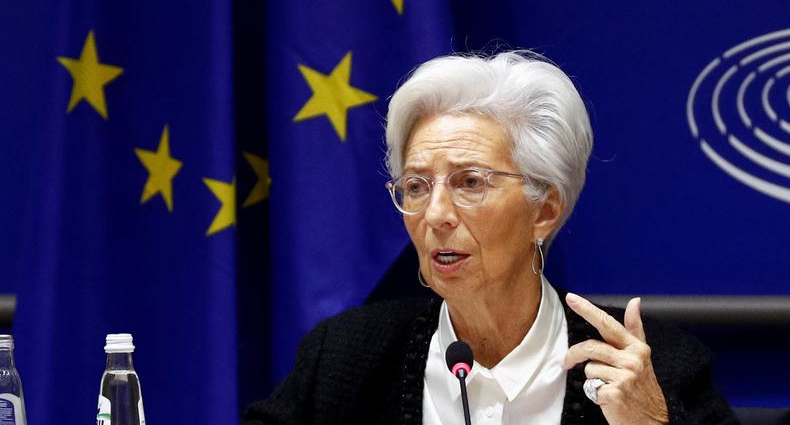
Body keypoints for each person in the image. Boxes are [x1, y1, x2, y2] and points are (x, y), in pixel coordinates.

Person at [242, 51, 738, 425]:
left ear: (544, 211)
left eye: (470, 183)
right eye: (416, 187)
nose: (435, 214)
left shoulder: (657, 371)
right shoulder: (343, 360)